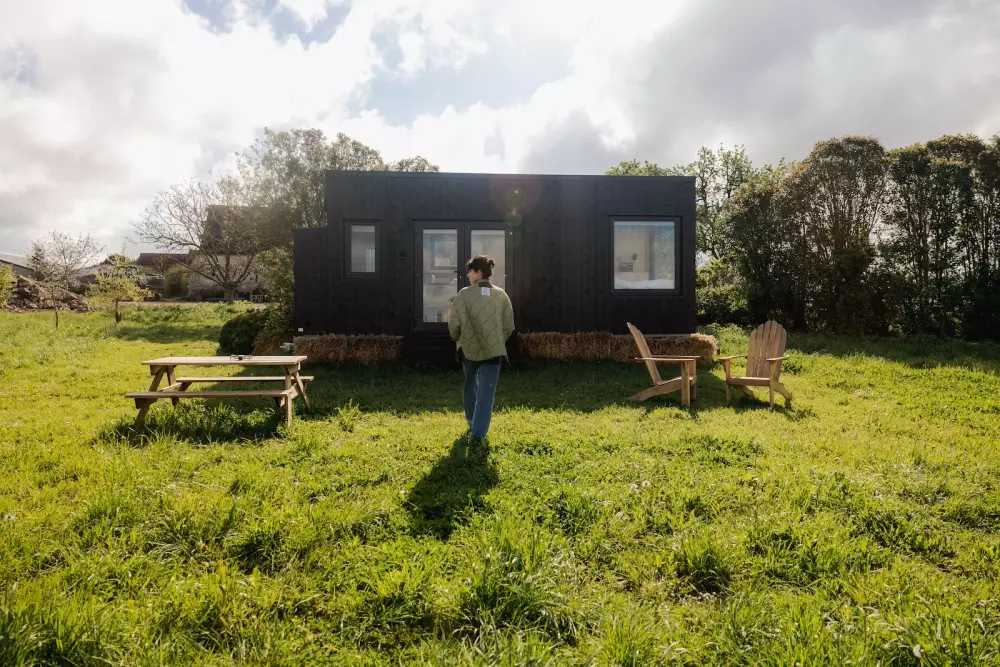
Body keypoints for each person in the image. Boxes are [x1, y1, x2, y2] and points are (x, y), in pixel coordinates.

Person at [448, 254, 515, 443]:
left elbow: (454, 325)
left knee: (470, 386)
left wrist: (457, 339)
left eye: (470, 271)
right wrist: (498, 340)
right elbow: (509, 325)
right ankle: (478, 436)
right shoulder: (501, 295)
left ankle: (471, 421)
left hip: (468, 350)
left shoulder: (463, 295)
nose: (468, 275)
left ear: (478, 273)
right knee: (487, 392)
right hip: (494, 351)